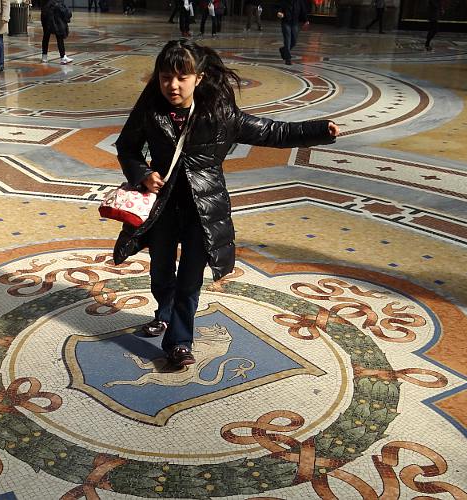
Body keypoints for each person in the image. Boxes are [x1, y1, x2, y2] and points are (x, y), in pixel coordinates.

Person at [112, 40, 339, 366]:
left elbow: (272, 132)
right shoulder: (150, 109)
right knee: (161, 271)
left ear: (199, 78)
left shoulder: (219, 113)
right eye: (165, 77)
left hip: (204, 209)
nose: (172, 85)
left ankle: (178, 342)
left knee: (189, 278)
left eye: (182, 78)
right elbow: (127, 147)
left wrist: (319, 130)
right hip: (162, 207)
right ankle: (163, 312)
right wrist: (143, 174)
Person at [277, 0, 309, 65]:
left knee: (294, 41)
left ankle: (283, 50)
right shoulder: (284, 1)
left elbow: (303, 10)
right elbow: (279, 7)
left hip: (295, 23)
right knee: (287, 40)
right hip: (286, 22)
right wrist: (279, 12)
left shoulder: (299, 1)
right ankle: (288, 59)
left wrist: (306, 20)